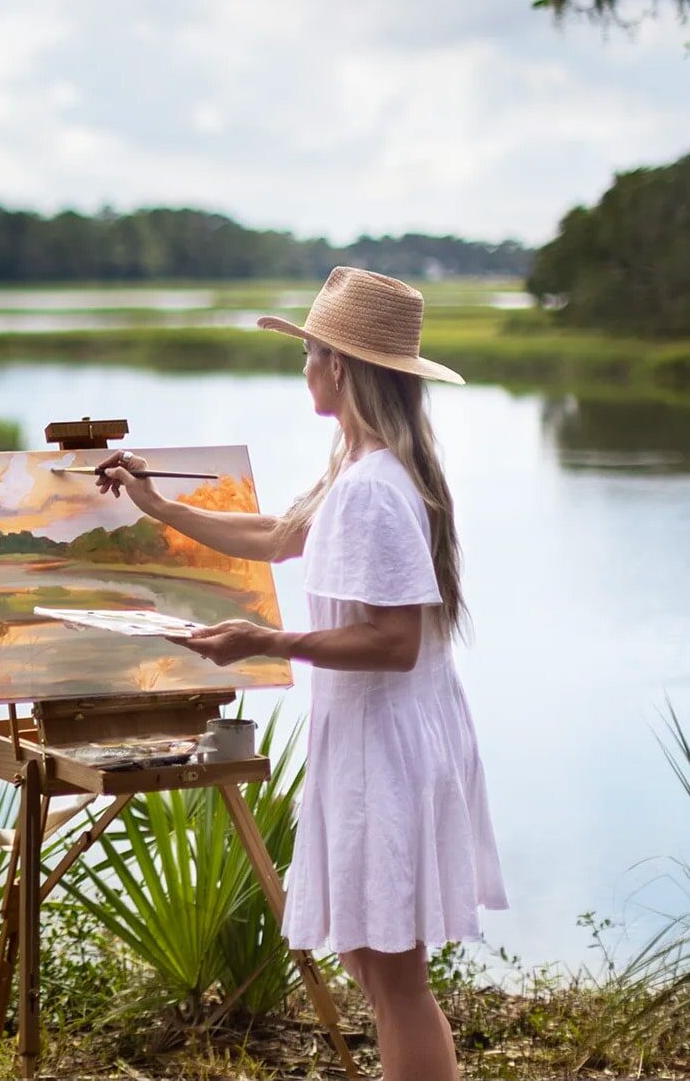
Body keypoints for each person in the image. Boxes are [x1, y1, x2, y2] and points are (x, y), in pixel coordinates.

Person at [97, 266, 507, 1081]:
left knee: (393, 978)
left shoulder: (370, 490)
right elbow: (280, 534)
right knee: (370, 960)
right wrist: (163, 508)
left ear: (340, 367)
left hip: (384, 743)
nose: (305, 370)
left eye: (310, 354)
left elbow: (392, 643)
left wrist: (263, 642)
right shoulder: (366, 469)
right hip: (385, 735)